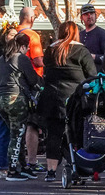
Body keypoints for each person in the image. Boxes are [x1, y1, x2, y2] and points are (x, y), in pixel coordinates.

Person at [37, 21, 96, 182]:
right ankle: (77, 166)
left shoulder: (51, 50)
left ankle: (51, 170)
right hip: (75, 101)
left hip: (52, 99)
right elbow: (92, 75)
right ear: (76, 33)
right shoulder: (81, 51)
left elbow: (46, 72)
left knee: (53, 135)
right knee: (77, 134)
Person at [0, 32, 41, 181]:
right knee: (17, 135)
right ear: (23, 46)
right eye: (27, 48)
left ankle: (23, 166)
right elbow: (33, 79)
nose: (27, 51)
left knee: (16, 134)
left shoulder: (1, 59)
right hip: (16, 100)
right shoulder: (20, 58)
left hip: (1, 100)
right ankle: (13, 170)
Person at [16, 7, 46, 172]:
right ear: (32, 18)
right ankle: (32, 161)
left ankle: (15, 161)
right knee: (32, 124)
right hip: (32, 83)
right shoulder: (32, 36)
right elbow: (38, 61)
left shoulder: (12, 33)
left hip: (14, 84)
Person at [0, 24, 18, 178]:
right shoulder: (1, 55)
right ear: (5, 35)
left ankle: (6, 163)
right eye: (11, 34)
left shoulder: (2, 53)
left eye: (16, 34)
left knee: (8, 129)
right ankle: (2, 165)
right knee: (4, 128)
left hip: (0, 92)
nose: (14, 37)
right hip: (0, 91)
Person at [79, 3, 105, 73]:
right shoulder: (79, 35)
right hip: (81, 77)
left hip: (97, 78)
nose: (89, 16)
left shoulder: (103, 35)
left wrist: (92, 57)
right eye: (86, 14)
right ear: (81, 18)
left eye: (92, 13)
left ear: (95, 15)